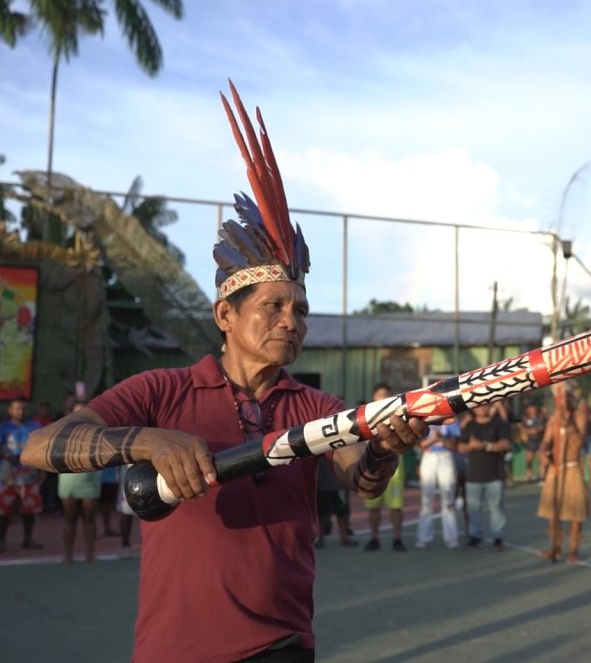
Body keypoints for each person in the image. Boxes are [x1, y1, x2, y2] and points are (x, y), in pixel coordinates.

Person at [22, 85, 426, 662]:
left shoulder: (315, 406)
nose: (292, 323)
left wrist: (386, 449)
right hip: (173, 650)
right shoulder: (161, 391)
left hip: (283, 646)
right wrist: (146, 441)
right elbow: (40, 447)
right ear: (225, 315)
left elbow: (362, 479)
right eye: (275, 307)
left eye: (301, 310)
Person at [537, 384, 590, 562]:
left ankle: (573, 549)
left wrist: (569, 425)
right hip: (556, 469)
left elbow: (580, 439)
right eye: (560, 398)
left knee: (575, 513)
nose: (563, 401)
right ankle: (556, 546)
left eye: (566, 396)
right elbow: (545, 441)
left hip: (572, 469)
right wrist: (543, 452)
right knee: (552, 512)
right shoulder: (553, 419)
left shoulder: (579, 416)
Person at [458, 403, 511, 550]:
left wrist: (486, 446)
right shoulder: (470, 426)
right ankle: (475, 537)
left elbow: (506, 444)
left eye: (485, 405)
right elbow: (461, 447)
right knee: (473, 508)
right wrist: (471, 446)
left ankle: (498, 537)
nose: (482, 408)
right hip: (473, 475)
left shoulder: (499, 423)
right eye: (478, 406)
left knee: (496, 508)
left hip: (495, 474)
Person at [363, 382, 408, 552]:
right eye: (380, 394)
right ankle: (374, 538)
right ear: (374, 397)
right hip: (372, 468)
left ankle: (397, 538)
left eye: (386, 394)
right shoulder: (365, 418)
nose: (383, 397)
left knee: (395, 506)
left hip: (394, 469)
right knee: (373, 507)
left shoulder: (398, 417)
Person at [57, 400, 102, 562]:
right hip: (69, 479)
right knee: (70, 517)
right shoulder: (61, 431)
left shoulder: (97, 431)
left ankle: (90, 553)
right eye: (77, 412)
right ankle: (68, 554)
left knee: (90, 517)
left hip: (90, 479)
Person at [0, 397, 44, 551]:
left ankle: (28, 538)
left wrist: (41, 470)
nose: (21, 411)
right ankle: (2, 540)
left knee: (30, 510)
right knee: (4, 510)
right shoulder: (3, 427)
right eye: (17, 408)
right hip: (8, 475)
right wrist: (7, 456)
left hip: (29, 474)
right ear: (10, 410)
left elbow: (41, 447)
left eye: (24, 408)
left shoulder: (35, 426)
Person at [415, 423, 459, 549]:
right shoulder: (425, 421)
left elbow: (454, 445)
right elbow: (419, 445)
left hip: (446, 457)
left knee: (448, 499)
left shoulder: (451, 422)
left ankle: (451, 537)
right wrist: (432, 439)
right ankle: (424, 537)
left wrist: (441, 439)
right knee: (426, 500)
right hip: (429, 457)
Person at [316, 456, 357, 548]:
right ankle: (320, 539)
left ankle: (344, 538)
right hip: (322, 484)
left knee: (342, 513)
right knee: (321, 514)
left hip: (340, 484)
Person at [520, 403, 546, 483]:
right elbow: (523, 429)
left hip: (539, 441)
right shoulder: (525, 419)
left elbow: (544, 427)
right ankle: (529, 476)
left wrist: (537, 430)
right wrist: (530, 431)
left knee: (541, 460)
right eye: (530, 408)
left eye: (533, 408)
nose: (532, 410)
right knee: (529, 460)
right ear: (527, 410)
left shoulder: (540, 417)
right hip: (530, 442)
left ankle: (542, 477)